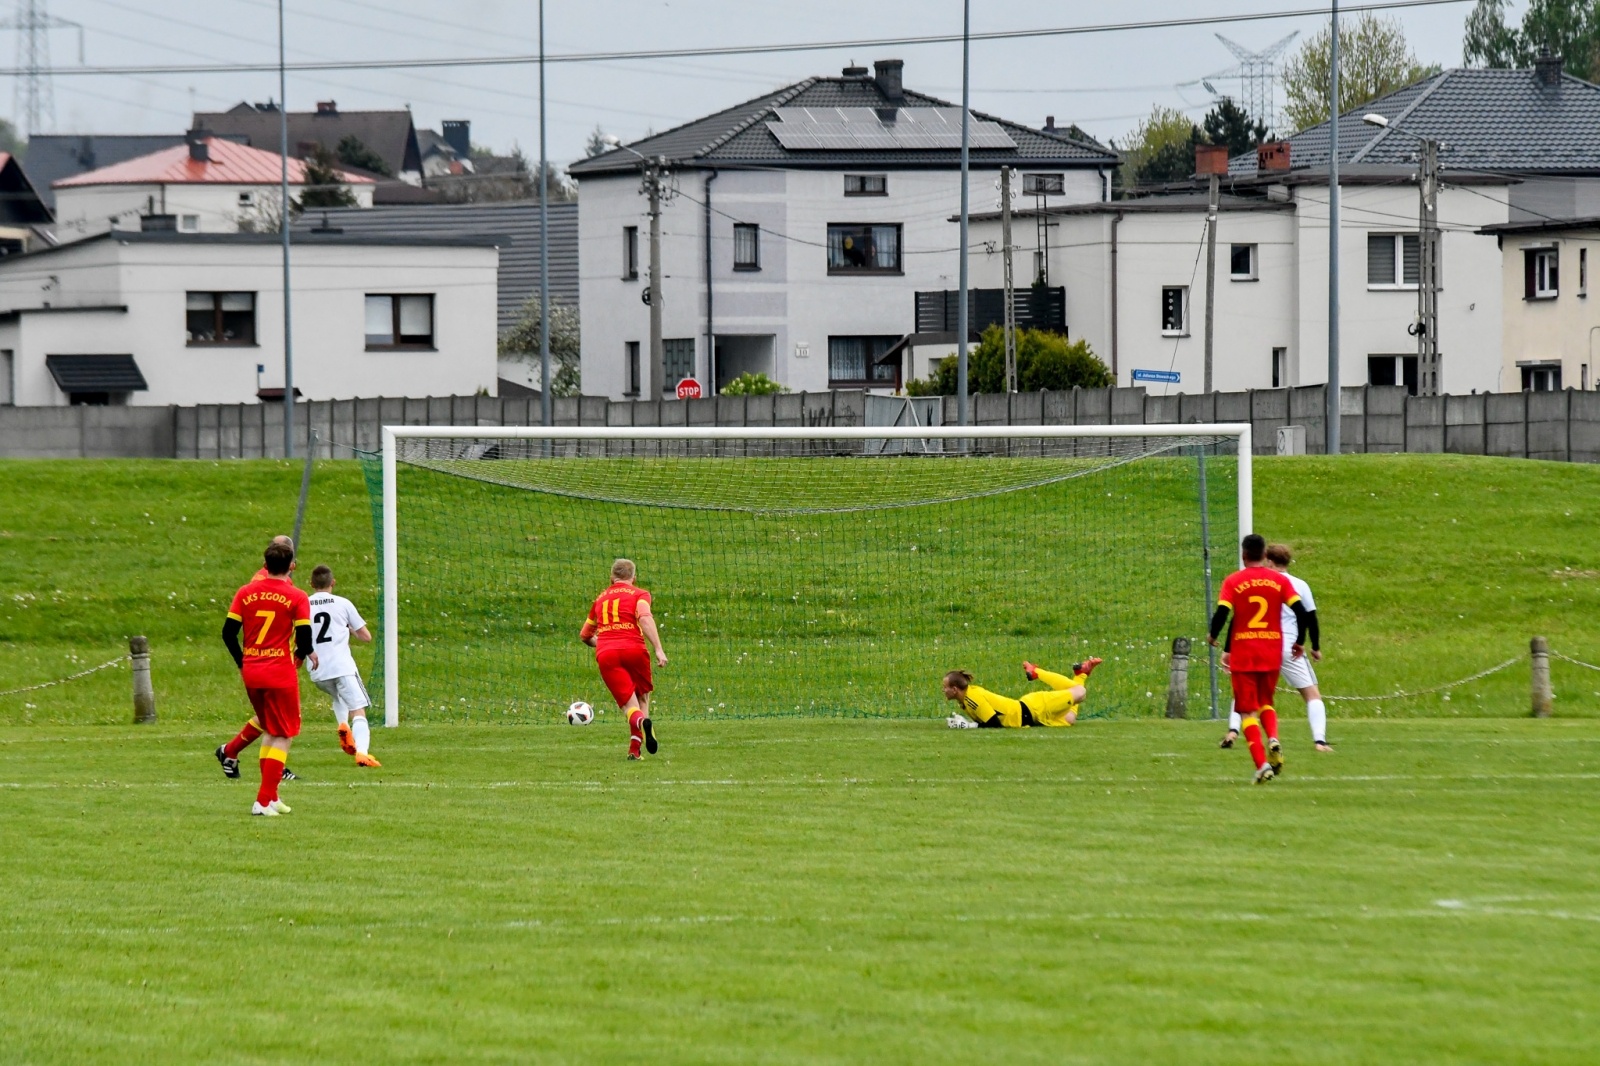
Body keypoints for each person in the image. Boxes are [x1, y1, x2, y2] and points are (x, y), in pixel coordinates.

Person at [220, 540, 314, 815]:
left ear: (265, 564)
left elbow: (228, 633)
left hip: (252, 670)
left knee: (271, 729)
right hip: (279, 671)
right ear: (292, 566)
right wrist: (299, 657)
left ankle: (272, 797)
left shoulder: (245, 592)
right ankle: (262, 800)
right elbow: (305, 638)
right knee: (285, 733)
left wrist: (242, 661)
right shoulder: (296, 596)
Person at [1209, 533, 1310, 784]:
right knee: (1266, 701)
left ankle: (1262, 765)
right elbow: (1300, 611)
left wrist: (1213, 634)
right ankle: (1273, 737)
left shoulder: (1233, 581)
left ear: (1244, 556)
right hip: (1271, 650)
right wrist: (1300, 641)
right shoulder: (1279, 581)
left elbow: (1223, 612)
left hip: (1244, 652)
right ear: (1265, 556)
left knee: (1246, 711)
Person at [1220, 543, 1331, 753]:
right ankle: (1320, 742)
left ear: (1269, 561)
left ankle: (1233, 731)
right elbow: (1310, 617)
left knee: (1244, 692)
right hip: (1289, 646)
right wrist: (1314, 646)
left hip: (1258, 644)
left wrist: (1229, 648)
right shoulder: (1300, 585)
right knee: (1311, 695)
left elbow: (1238, 619)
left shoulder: (1256, 582)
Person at [579, 558, 668, 760]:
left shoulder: (599, 600)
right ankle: (636, 747)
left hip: (607, 654)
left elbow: (585, 635)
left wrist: (601, 643)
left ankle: (636, 743)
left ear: (612, 579)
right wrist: (659, 649)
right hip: (634, 649)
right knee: (642, 698)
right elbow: (645, 617)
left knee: (629, 706)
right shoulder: (640, 594)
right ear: (634, 578)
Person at [306, 565, 381, 767]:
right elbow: (366, 636)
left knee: (338, 696)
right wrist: (348, 628)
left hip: (317, 671)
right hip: (342, 667)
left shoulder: (303, 604)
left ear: (311, 584)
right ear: (333, 582)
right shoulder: (343, 603)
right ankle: (363, 753)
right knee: (358, 708)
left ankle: (343, 725)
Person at [943, 658, 1103, 728]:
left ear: (955, 689)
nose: (943, 690)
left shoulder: (972, 698)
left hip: (1036, 706)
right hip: (1032, 717)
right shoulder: (965, 700)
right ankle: (1081, 674)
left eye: (945, 687)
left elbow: (993, 724)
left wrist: (969, 726)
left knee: (1080, 692)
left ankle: (1036, 672)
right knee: (1069, 719)